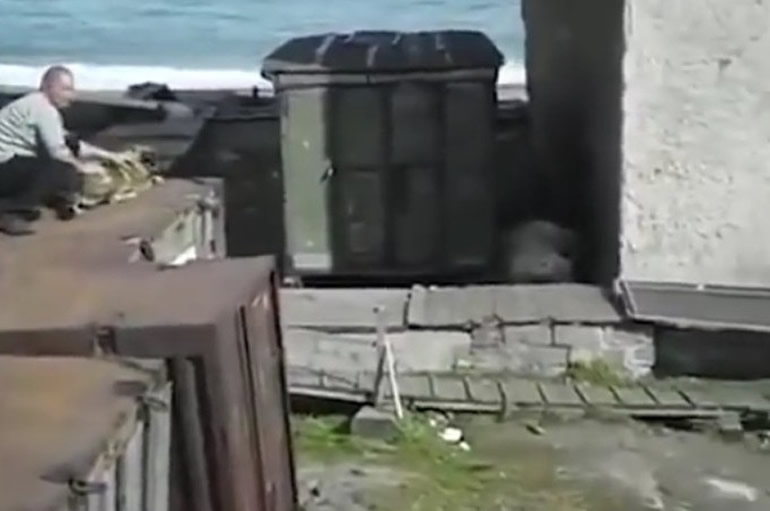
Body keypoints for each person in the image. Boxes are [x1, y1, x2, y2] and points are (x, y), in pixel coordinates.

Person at [0, 65, 123, 235]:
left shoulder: (37, 104)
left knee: (63, 166)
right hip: (4, 165)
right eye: (66, 89)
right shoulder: (43, 109)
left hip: (9, 164)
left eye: (71, 90)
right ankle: (9, 211)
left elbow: (71, 144)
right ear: (48, 87)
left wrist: (110, 156)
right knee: (60, 170)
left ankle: (56, 199)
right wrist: (83, 168)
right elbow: (58, 152)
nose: (71, 96)